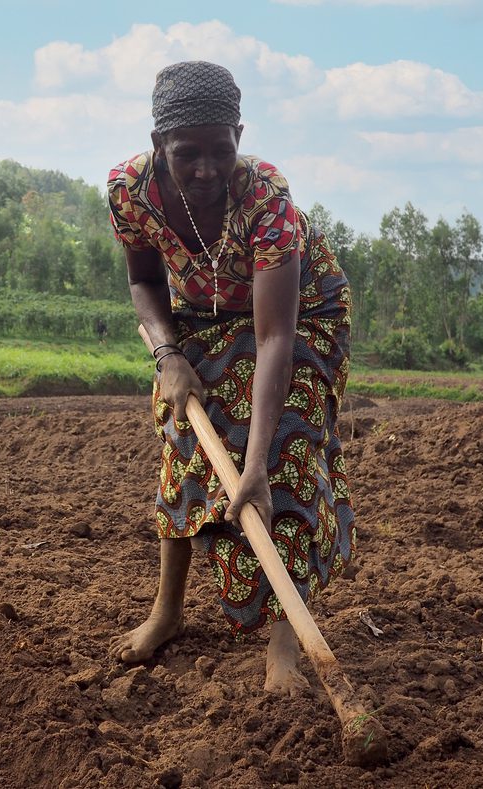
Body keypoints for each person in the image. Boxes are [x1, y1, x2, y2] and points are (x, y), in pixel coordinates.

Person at [107, 61, 356, 694]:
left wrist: (255, 463)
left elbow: (274, 336)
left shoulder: (266, 196)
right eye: (187, 153)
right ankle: (167, 612)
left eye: (222, 150)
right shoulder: (130, 191)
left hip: (300, 319)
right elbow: (143, 280)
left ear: (240, 135)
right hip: (198, 315)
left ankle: (285, 646)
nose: (207, 168)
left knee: (284, 448)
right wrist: (169, 358)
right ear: (159, 144)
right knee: (185, 440)